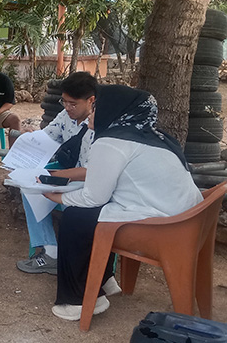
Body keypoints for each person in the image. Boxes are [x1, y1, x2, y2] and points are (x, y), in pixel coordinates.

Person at [43, 85, 203, 321]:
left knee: (75, 217)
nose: (91, 114)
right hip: (188, 219)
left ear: (113, 111)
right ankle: (104, 280)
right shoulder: (154, 136)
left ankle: (77, 300)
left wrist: (55, 197)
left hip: (162, 227)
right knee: (95, 214)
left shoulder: (111, 142)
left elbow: (93, 198)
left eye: (97, 109)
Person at [15, 72, 97, 275]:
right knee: (30, 187)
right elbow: (47, 136)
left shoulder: (101, 125)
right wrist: (30, 139)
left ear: (91, 100)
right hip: (70, 173)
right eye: (64, 102)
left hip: (91, 182)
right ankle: (51, 251)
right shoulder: (66, 115)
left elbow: (92, 172)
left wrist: (57, 176)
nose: (67, 108)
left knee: (43, 186)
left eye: (73, 104)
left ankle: (75, 258)